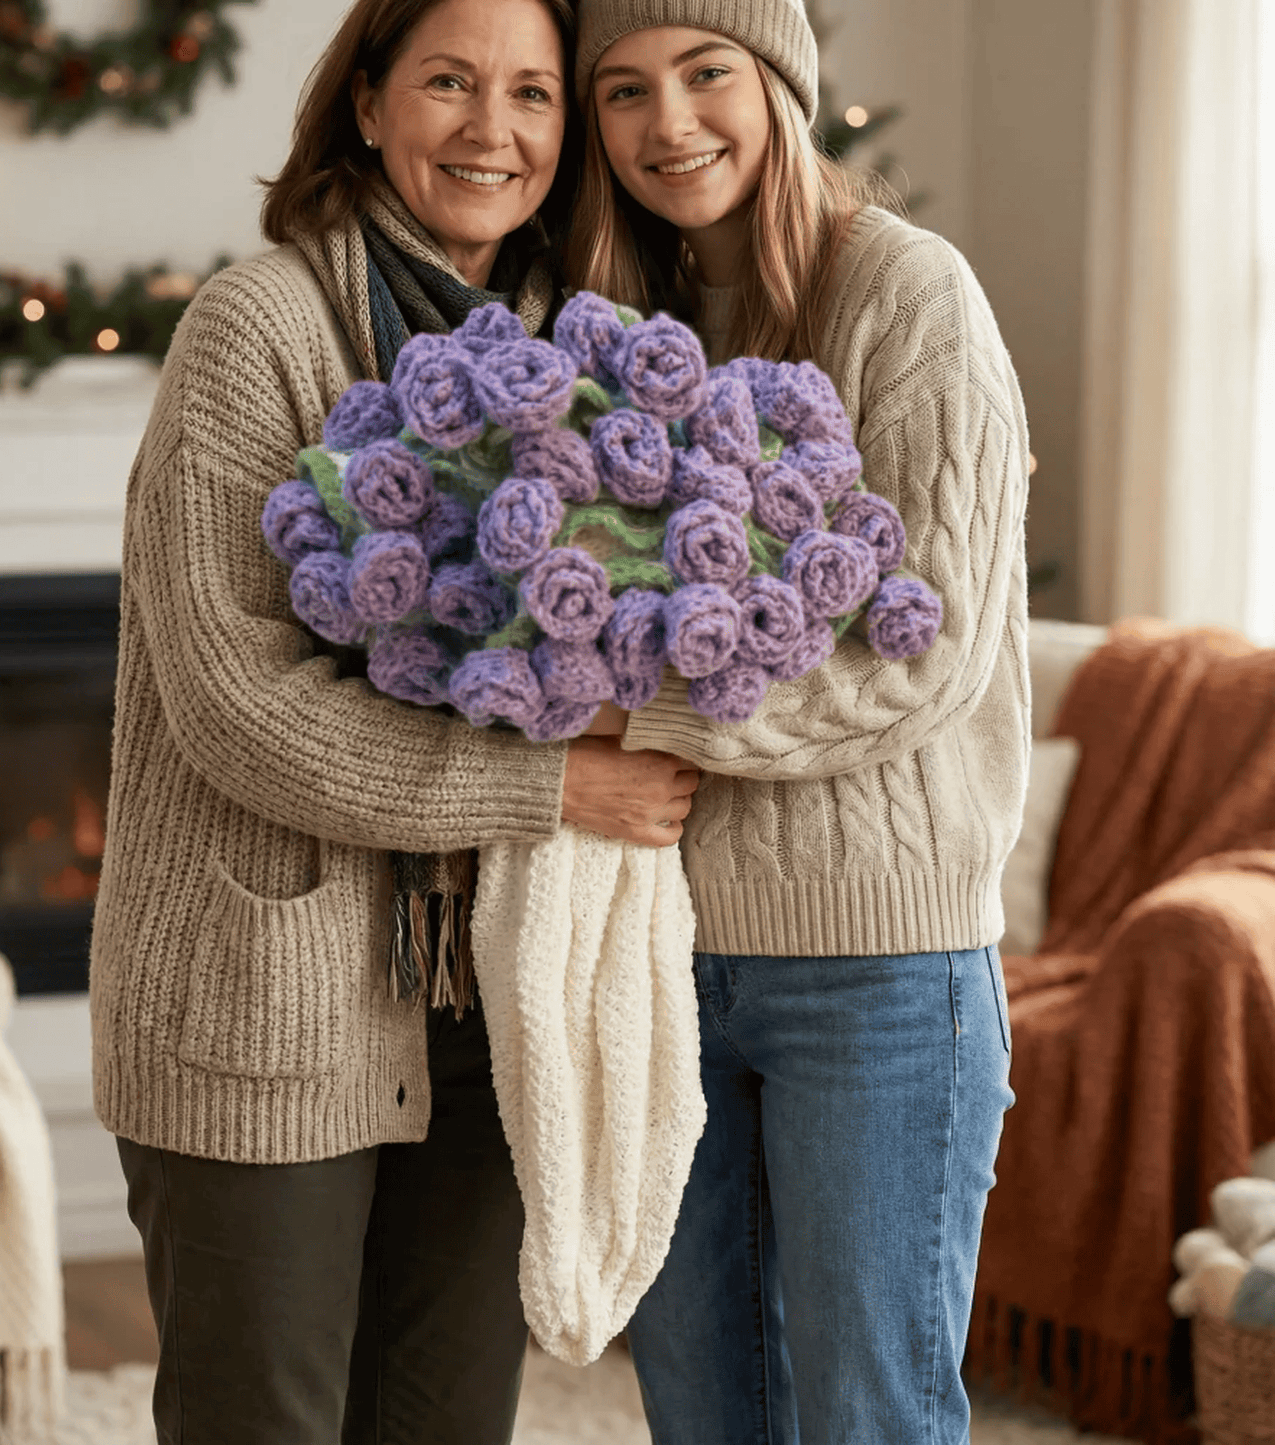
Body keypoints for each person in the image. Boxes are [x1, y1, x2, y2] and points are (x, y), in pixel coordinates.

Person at [88, 1, 699, 1441]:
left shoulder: (588, 358)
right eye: (448, 81)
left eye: (535, 94)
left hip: (492, 1000)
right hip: (261, 997)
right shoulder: (259, 329)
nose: (494, 129)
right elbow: (237, 708)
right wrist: (549, 789)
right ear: (366, 104)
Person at [566, 2, 1030, 1441]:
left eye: (708, 73)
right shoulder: (604, 323)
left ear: (781, 84)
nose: (670, 123)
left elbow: (926, 645)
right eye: (626, 90)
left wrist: (642, 719)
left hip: (877, 966)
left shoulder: (906, 290)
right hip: (656, 954)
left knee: (866, 1416)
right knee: (701, 1411)